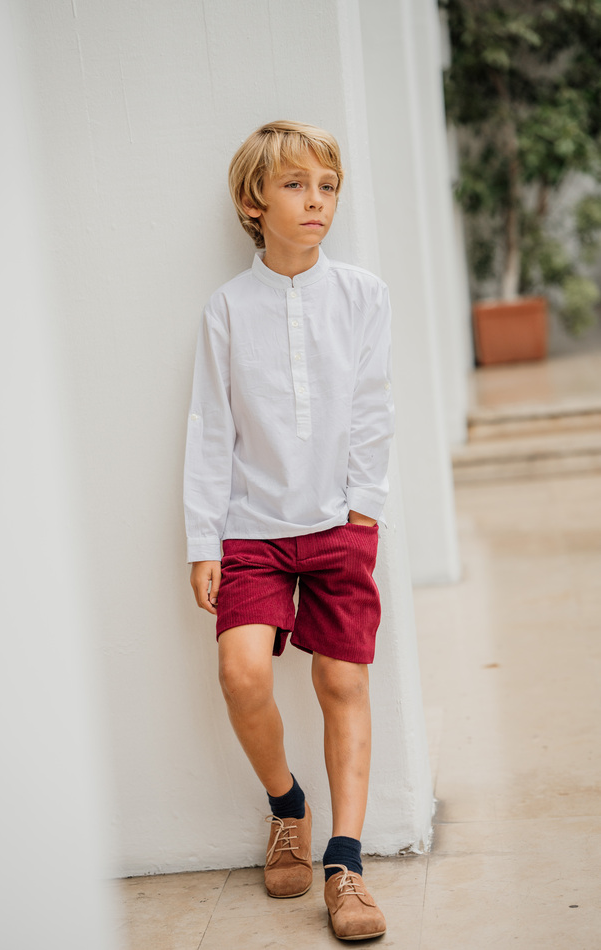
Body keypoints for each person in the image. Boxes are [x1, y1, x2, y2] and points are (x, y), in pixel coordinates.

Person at [184, 120, 394, 941]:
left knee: (343, 684)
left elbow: (373, 407)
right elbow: (211, 429)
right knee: (242, 674)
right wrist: (204, 540)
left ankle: (345, 863)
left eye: (327, 187)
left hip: (340, 523)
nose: (316, 202)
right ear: (254, 202)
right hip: (250, 531)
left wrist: (364, 510)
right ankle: (287, 804)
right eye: (295, 186)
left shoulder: (362, 295)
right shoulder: (227, 309)